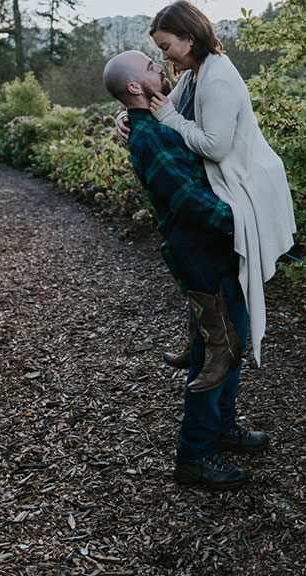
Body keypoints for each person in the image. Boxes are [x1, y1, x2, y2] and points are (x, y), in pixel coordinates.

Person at [104, 50, 268, 489]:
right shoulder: (150, 138)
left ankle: (222, 428)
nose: (161, 66)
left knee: (226, 336)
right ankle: (195, 454)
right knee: (218, 351)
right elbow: (189, 202)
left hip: (204, 250)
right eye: (150, 66)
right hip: (198, 250)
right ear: (137, 87)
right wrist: (246, 222)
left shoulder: (153, 121)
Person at [117, 0, 296, 367]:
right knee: (191, 254)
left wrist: (167, 115)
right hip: (226, 183)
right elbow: (156, 104)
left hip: (247, 185)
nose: (165, 57)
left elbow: (215, 146)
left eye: (166, 47)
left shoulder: (217, 77)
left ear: (189, 37)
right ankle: (203, 337)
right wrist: (124, 114)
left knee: (207, 266)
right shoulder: (194, 75)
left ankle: (217, 347)